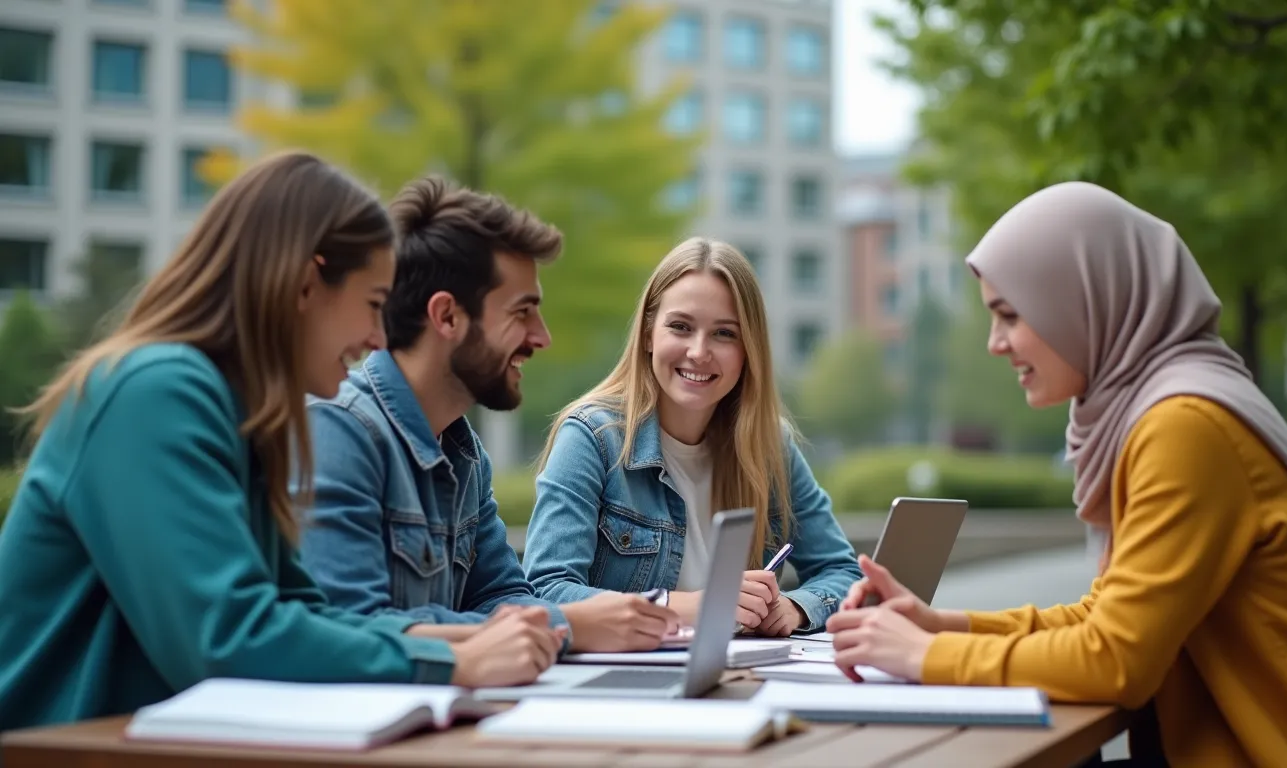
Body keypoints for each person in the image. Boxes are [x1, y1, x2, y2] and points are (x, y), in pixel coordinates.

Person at [0, 152, 563, 732]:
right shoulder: (156, 393)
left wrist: (484, 640)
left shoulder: (237, 413)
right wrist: (455, 662)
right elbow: (227, 638)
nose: (378, 336)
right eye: (373, 304)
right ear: (305, 282)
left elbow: (307, 615)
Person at [827, 182, 1287, 767]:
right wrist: (941, 625)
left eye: (1010, 314)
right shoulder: (1165, 406)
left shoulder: (1185, 425)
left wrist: (925, 655)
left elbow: (1115, 660)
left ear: (1081, 301)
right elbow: (1104, 616)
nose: (996, 344)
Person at [295, 176, 679, 654]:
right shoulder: (339, 431)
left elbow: (502, 595)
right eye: (522, 312)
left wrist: (564, 624)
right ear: (448, 317)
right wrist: (571, 626)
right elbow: (352, 627)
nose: (542, 337)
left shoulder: (463, 452)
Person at [523, 237, 862, 636]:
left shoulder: (770, 446)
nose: (699, 352)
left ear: (748, 348)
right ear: (649, 334)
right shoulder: (592, 438)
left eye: (724, 334)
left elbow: (842, 571)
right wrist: (687, 607)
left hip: (736, 675)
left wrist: (795, 607)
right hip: (623, 687)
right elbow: (544, 593)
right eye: (681, 327)